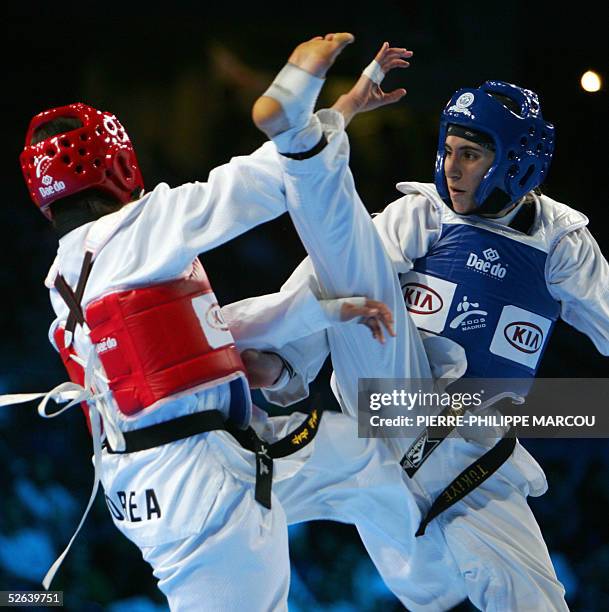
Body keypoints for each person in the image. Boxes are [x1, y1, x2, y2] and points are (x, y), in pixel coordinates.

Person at [5, 32, 436, 611]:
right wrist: (326, 101)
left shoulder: (62, 282)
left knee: (370, 462)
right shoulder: (141, 228)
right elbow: (267, 178)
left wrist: (312, 315)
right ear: (120, 163)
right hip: (201, 485)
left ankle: (444, 596)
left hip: (165, 478)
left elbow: (198, 334)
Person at [254, 75, 609, 609]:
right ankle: (268, 358)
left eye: (470, 154)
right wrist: (280, 357)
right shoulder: (421, 215)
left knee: (537, 600)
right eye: (447, 150)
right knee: (354, 261)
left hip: (470, 463)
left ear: (515, 161)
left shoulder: (560, 242)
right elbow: (344, 269)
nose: (450, 167)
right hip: (385, 415)